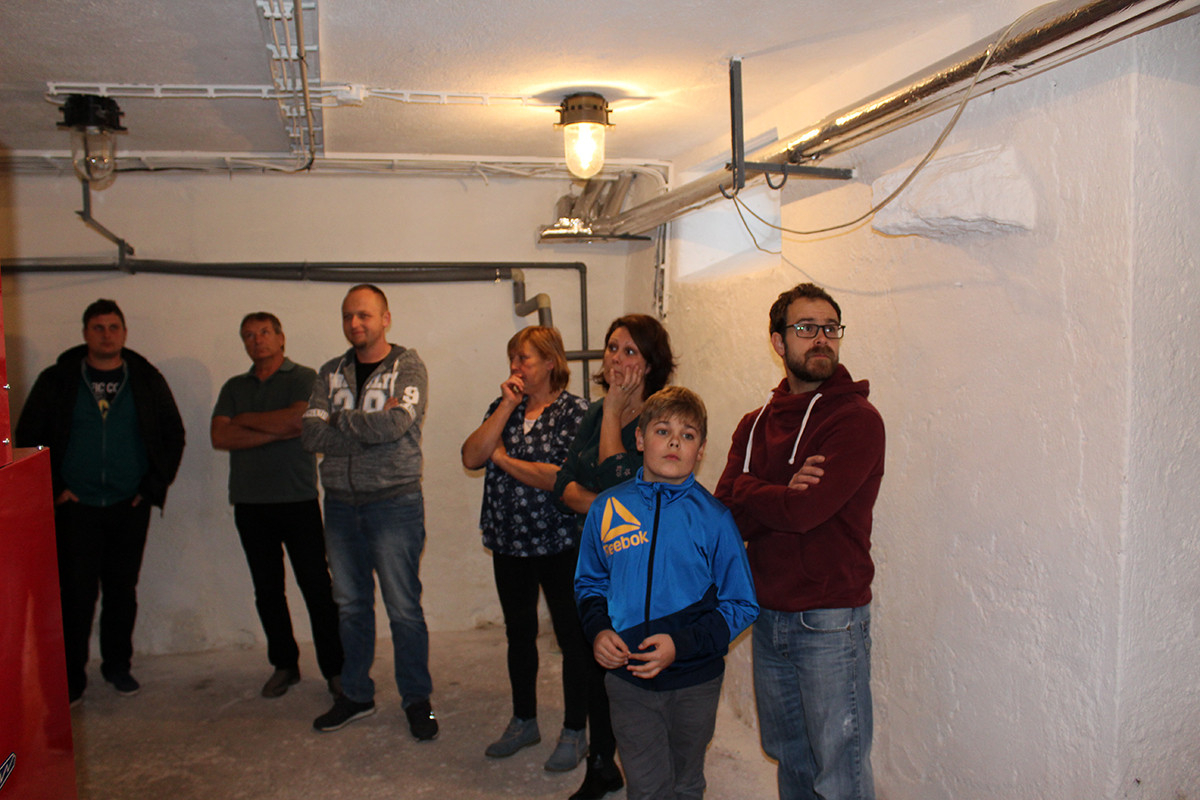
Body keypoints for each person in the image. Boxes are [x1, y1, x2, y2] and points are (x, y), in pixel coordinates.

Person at [715, 283, 885, 800]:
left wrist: (751, 488)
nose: (821, 339)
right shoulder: (754, 425)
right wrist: (778, 493)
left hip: (830, 621)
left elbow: (805, 512)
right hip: (768, 615)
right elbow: (726, 519)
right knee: (788, 757)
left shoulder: (856, 421)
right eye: (806, 328)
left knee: (839, 770)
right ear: (778, 340)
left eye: (830, 328)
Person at [575, 386, 759, 800]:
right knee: (648, 787)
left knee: (686, 782)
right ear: (640, 439)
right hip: (628, 680)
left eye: (687, 435)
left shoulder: (715, 519)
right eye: (663, 431)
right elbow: (589, 582)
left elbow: (742, 603)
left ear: (701, 450)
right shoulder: (606, 508)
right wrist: (598, 630)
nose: (675, 442)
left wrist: (682, 645)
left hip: (696, 681)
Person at [15, 299, 185, 704]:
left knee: (122, 591)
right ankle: (71, 677)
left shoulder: (145, 379)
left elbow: (173, 434)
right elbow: (29, 435)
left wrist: (151, 488)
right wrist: (56, 488)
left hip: (129, 505)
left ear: (124, 333)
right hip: (76, 506)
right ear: (85, 334)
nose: (106, 335)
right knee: (75, 595)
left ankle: (118, 666)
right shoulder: (58, 379)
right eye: (98, 327)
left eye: (113, 327)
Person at [301, 284, 437, 740]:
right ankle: (356, 695)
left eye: (364, 315)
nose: (355, 323)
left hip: (394, 503)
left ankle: (418, 701)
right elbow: (310, 435)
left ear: (385, 319)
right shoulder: (329, 372)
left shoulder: (408, 367)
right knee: (350, 606)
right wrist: (368, 427)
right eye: (348, 316)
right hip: (340, 505)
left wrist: (338, 419)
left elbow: (398, 424)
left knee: (403, 608)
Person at [552, 313, 676, 800]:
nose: (616, 359)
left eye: (630, 351)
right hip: (591, 558)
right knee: (591, 663)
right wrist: (600, 502)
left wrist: (613, 414)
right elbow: (565, 484)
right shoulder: (595, 412)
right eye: (611, 348)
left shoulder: (659, 419)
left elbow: (616, 482)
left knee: (631, 671)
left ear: (650, 364)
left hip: (636, 566)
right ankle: (601, 764)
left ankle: (651, 768)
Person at [461, 326, 591, 772]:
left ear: (550, 362)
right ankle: (524, 721)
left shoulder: (576, 412)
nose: (515, 367)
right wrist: (506, 407)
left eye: (525, 358)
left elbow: (556, 477)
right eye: (512, 358)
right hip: (508, 542)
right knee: (519, 634)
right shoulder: (503, 408)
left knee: (572, 638)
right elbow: (470, 456)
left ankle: (575, 730)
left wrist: (501, 458)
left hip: (560, 543)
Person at [211, 312, 343, 699]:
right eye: (249, 335)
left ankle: (336, 669)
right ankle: (285, 665)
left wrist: (246, 421)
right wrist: (277, 429)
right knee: (267, 590)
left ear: (281, 338)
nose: (257, 340)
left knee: (317, 587)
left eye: (264, 332)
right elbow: (220, 436)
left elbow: (301, 423)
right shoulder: (234, 387)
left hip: (297, 499)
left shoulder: (304, 377)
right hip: (250, 503)